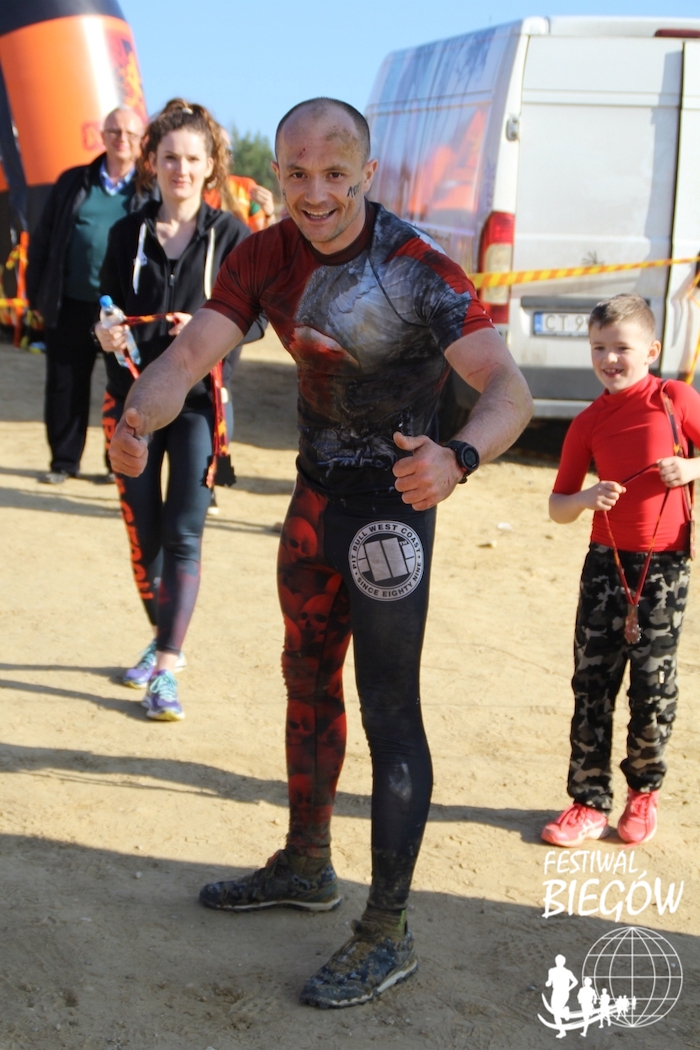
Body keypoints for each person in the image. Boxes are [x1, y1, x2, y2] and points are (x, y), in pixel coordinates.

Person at [106, 97, 532, 1004]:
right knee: (305, 680)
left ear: (367, 175)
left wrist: (457, 458)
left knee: (390, 712)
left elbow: (509, 390)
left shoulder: (418, 268)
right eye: (296, 173)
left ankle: (388, 929)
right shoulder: (264, 256)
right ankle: (306, 862)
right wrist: (138, 417)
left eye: (335, 174)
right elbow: (188, 359)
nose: (315, 193)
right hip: (312, 503)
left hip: (393, 513)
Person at [96, 98, 259, 720]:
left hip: (199, 408)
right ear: (153, 163)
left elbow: (258, 320)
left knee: (183, 532)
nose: (181, 170)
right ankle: (163, 635)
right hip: (133, 407)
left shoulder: (234, 237)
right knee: (146, 535)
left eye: (193, 159)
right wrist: (106, 331)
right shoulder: (126, 234)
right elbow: (105, 308)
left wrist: (213, 331)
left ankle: (166, 666)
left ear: (211, 164)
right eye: (170, 158)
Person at [541, 294, 700, 849]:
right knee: (592, 683)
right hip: (604, 565)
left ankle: (643, 793)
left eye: (622, 348)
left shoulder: (675, 400)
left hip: (664, 566)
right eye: (598, 348)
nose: (609, 359)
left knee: (652, 686)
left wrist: (691, 467)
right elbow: (558, 506)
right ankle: (588, 802)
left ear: (652, 350)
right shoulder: (587, 422)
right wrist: (586, 497)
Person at [26, 106, 146, 484]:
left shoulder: (149, 189)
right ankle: (63, 463)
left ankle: (117, 466)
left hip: (121, 310)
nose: (121, 139)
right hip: (70, 302)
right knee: (65, 385)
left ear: (141, 141)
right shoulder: (73, 181)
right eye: (114, 131)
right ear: (103, 135)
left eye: (130, 133)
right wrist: (36, 294)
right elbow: (43, 239)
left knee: (124, 386)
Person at [545, 954, 577, 1039]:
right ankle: (562, 1030)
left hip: (561, 992)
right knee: (555, 1012)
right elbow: (549, 982)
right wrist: (548, 983)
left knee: (556, 1013)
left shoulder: (565, 972)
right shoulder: (553, 971)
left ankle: (564, 1012)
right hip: (557, 992)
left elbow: (575, 981)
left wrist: (568, 989)